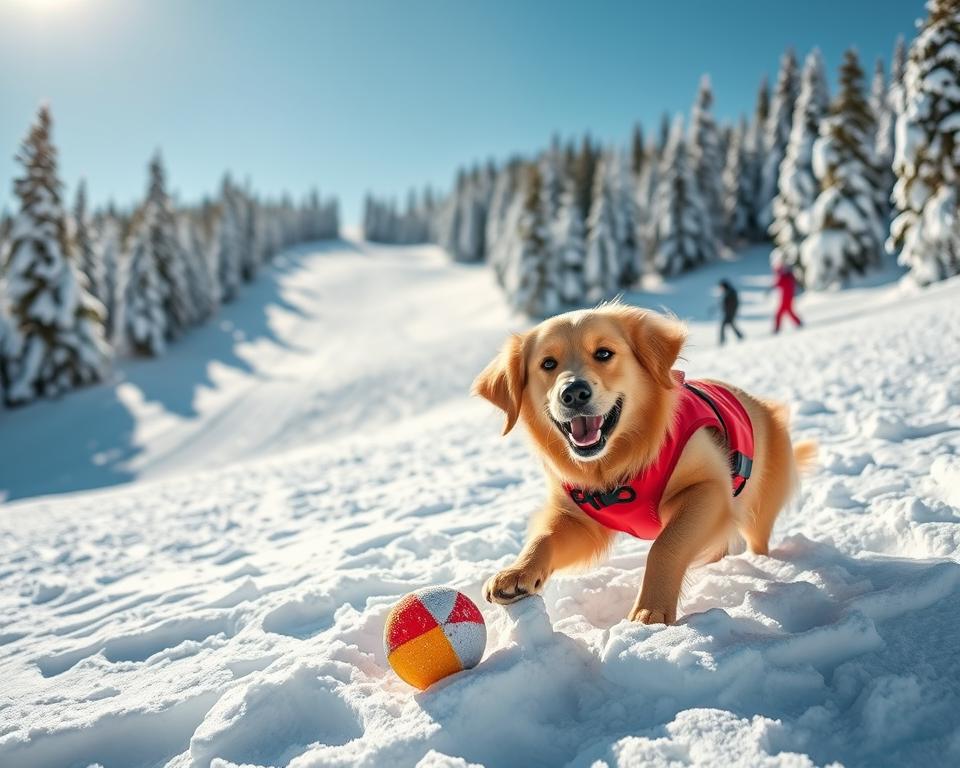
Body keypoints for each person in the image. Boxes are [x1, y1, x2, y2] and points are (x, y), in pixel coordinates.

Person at [772, 263, 803, 333]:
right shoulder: (789, 277)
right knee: (789, 312)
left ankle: (777, 328)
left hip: (786, 299)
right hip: (788, 298)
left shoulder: (785, 278)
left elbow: (778, 283)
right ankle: (799, 323)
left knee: (779, 313)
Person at [716, 279, 744, 346]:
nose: (721, 288)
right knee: (731, 324)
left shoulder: (730, 292)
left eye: (721, 286)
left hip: (730, 313)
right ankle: (740, 336)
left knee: (723, 325)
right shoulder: (729, 291)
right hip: (729, 312)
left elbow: (733, 304)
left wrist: (729, 311)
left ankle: (722, 341)